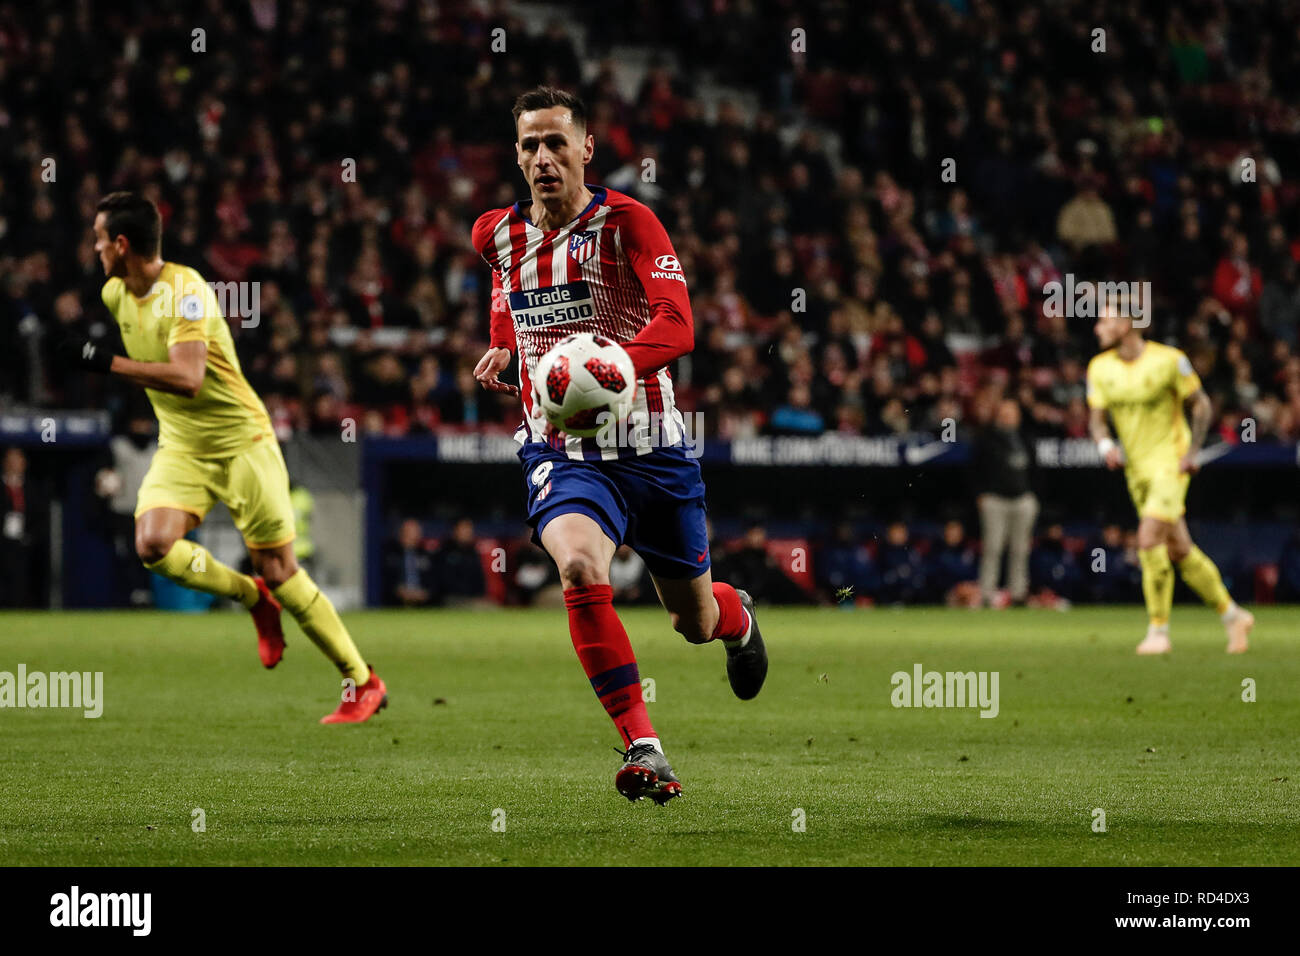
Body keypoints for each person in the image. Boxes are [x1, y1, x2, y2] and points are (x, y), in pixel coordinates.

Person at [471, 86, 768, 804]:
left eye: (556, 143)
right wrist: (505, 351)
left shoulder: (630, 222)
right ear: (517, 156)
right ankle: (645, 745)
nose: (543, 157)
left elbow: (679, 323)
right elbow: (510, 300)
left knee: (692, 621)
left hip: (654, 449)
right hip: (563, 452)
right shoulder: (494, 235)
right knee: (577, 567)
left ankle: (738, 616)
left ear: (586, 149)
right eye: (529, 146)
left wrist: (618, 367)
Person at [58, 191, 386, 721]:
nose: (95, 248)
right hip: (183, 445)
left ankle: (362, 680)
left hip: (241, 442)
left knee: (280, 568)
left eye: (99, 239)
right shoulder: (116, 293)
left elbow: (188, 378)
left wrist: (108, 364)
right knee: (153, 543)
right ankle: (252, 599)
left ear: (121, 244)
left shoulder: (186, 292)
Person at [1087, 295, 1253, 654]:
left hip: (1170, 465)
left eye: (1104, 320)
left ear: (1126, 324)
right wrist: (1104, 446)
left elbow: (1202, 405)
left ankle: (1158, 632)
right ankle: (1233, 616)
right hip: (1136, 470)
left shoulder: (1169, 361)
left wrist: (1193, 453)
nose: (1097, 326)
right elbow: (1097, 420)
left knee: (1148, 540)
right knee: (1180, 549)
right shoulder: (1099, 368)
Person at [972, 399, 1038, 606]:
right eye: (1004, 413)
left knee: (1021, 549)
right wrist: (980, 494)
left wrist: (1034, 495)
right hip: (995, 499)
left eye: (1012, 413)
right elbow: (973, 470)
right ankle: (986, 594)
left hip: (1022, 499)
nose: (1008, 417)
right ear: (998, 415)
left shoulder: (1025, 438)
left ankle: (1018, 594)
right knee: (993, 548)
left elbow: (1037, 471)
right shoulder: (985, 438)